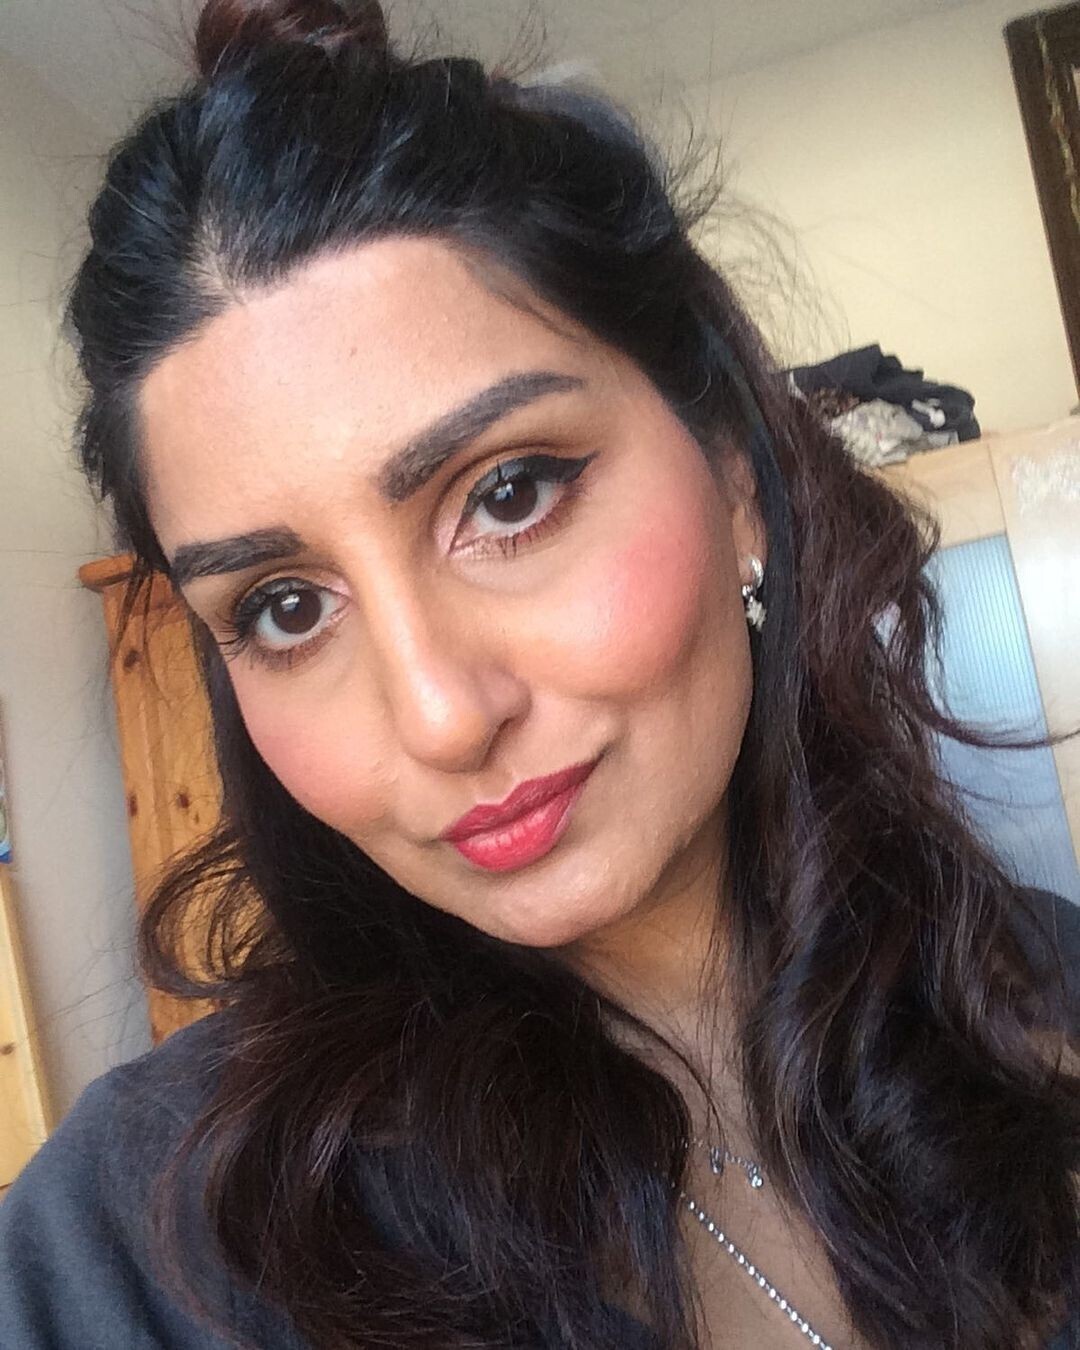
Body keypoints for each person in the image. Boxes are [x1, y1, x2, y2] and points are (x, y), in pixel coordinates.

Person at [2, 1, 1079, 1346]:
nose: (441, 715)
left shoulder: (1047, 997)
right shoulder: (142, 1242)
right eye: (285, 608)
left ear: (734, 474)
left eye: (509, 494)